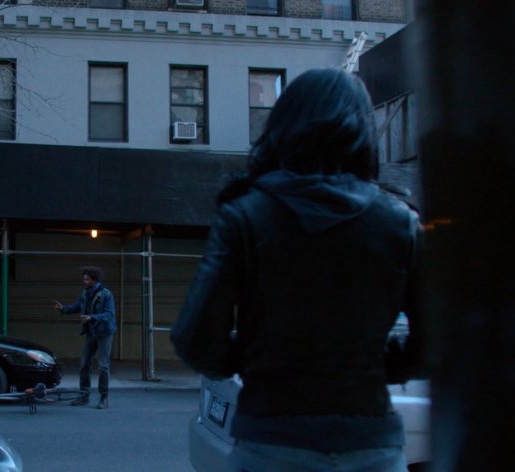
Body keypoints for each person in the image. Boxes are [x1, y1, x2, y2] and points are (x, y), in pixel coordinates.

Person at [170, 68, 424, 471]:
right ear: (361, 132)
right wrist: (378, 364)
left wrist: (256, 359)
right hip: (371, 444)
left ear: (284, 127)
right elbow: (436, 340)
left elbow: (195, 338)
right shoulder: (400, 222)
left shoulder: (245, 216)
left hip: (272, 440)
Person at [54, 266, 116, 409]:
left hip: (104, 333)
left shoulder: (106, 294)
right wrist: (63, 309)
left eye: (87, 279)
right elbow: (77, 306)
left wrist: (91, 317)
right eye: (84, 278)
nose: (84, 281)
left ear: (94, 280)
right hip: (91, 332)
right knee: (84, 364)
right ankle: (84, 395)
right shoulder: (85, 293)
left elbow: (109, 314)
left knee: (103, 366)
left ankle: (104, 397)